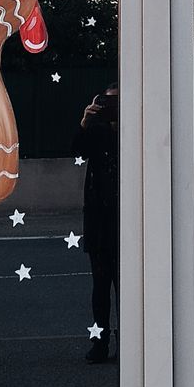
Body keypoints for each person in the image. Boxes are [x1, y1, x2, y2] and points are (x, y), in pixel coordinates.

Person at [73, 84, 119, 363]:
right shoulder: (97, 130)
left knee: (126, 289)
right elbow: (76, 150)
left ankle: (127, 343)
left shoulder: (134, 131)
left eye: (116, 103)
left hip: (124, 221)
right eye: (107, 102)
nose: (111, 107)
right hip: (99, 221)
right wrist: (85, 120)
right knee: (100, 288)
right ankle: (100, 343)